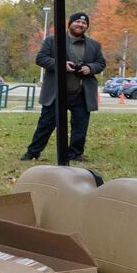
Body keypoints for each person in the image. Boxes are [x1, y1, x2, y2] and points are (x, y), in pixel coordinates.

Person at [21, 11, 106, 163]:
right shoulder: (53, 40)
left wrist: (90, 68)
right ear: (70, 23)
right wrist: (61, 65)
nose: (80, 25)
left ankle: (75, 154)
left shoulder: (94, 44)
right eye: (77, 22)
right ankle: (32, 152)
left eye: (84, 23)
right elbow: (40, 59)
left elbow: (101, 63)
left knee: (80, 127)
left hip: (82, 92)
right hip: (57, 92)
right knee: (46, 124)